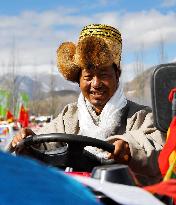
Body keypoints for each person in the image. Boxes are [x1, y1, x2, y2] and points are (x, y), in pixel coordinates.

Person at [8, 24, 165, 185]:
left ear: (117, 75)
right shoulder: (69, 116)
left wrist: (129, 147)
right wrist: (29, 142)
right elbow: (45, 144)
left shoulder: (141, 116)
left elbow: (158, 148)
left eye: (103, 74)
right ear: (79, 80)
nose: (96, 84)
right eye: (88, 76)